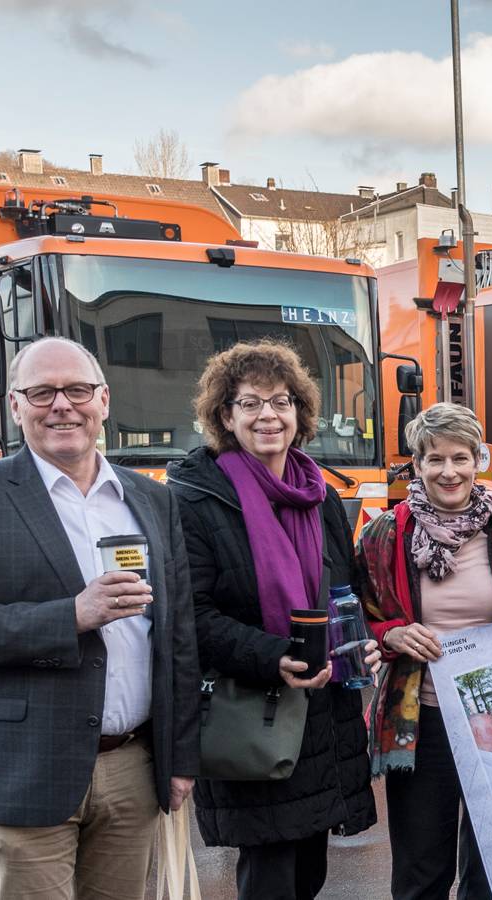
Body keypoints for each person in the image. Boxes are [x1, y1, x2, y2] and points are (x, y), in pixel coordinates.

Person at [0, 337, 199, 900]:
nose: (62, 405)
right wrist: (72, 615)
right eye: (42, 392)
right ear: (15, 406)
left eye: (78, 390)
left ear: (104, 401)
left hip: (132, 770)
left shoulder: (152, 499)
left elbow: (178, 637)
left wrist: (180, 756)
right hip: (22, 771)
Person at [166, 339, 380, 899]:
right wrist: (273, 656)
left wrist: (360, 640)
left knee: (308, 872)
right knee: (270, 874)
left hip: (324, 711)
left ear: (299, 412)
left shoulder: (320, 494)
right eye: (251, 403)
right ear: (225, 415)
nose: (268, 415)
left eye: (281, 402)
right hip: (252, 712)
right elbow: (190, 614)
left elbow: (344, 592)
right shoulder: (196, 498)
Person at [355, 401, 492, 900]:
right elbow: (357, 612)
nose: (449, 471)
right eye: (435, 459)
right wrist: (390, 635)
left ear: (478, 461)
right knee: (421, 872)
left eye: (460, 458)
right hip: (423, 721)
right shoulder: (385, 533)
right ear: (417, 464)